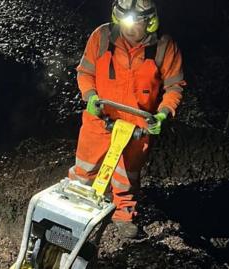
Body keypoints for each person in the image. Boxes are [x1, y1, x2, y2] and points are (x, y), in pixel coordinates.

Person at [68, 0, 186, 238]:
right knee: (84, 168)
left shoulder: (164, 46)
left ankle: (124, 215)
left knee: (128, 174)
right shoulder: (102, 37)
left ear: (150, 22)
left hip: (138, 125)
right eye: (124, 22)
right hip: (100, 117)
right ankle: (73, 209)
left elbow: (174, 87)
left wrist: (162, 114)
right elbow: (85, 72)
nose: (129, 29)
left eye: (136, 23)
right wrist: (90, 96)